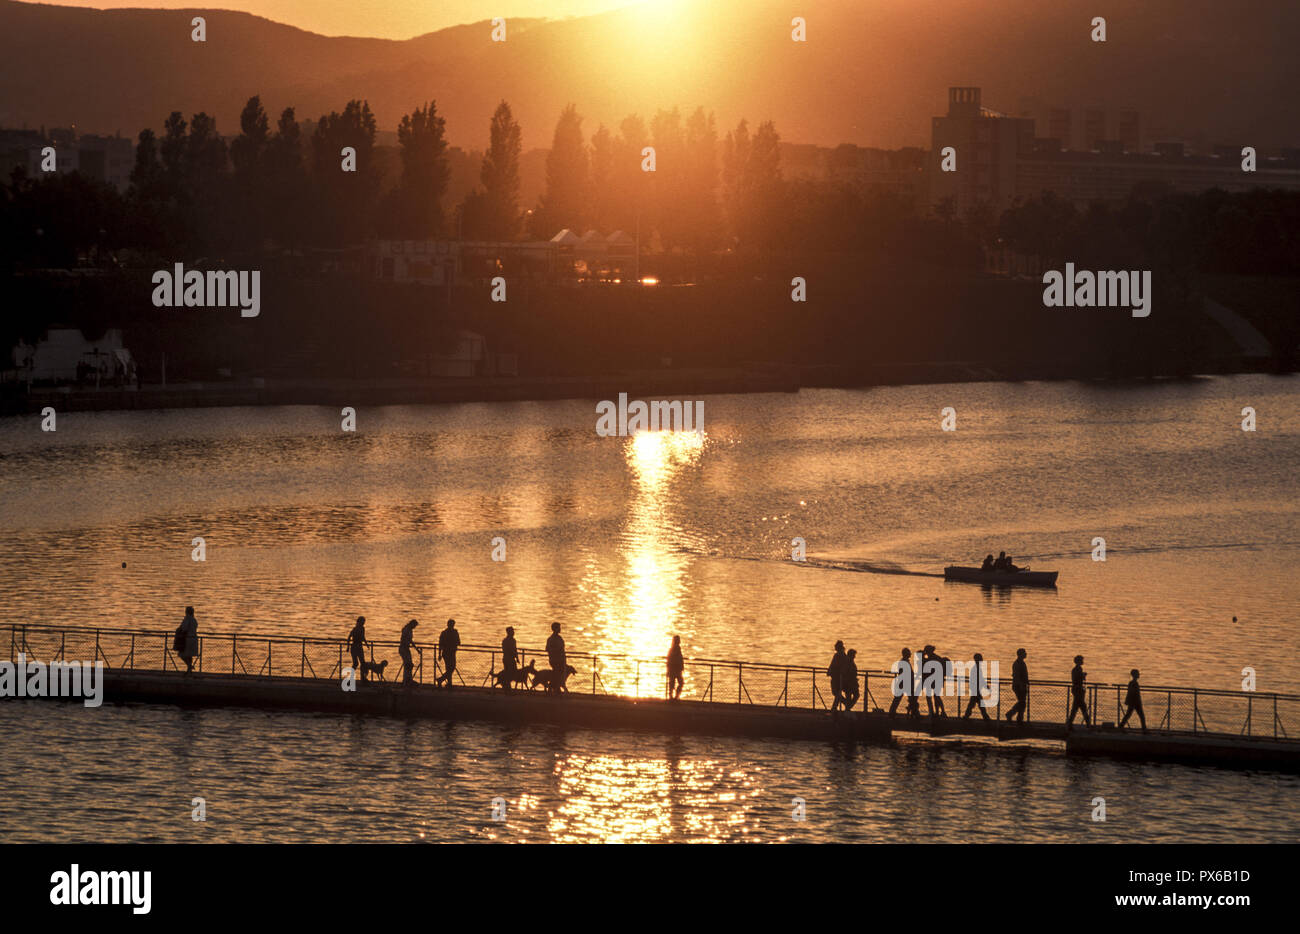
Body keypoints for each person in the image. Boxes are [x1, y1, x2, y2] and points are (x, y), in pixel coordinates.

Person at [888, 648, 920, 719]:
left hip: (903, 683)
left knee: (902, 699)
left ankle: (892, 712)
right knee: (911, 699)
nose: (910, 654)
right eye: (909, 653)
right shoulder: (904, 662)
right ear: (906, 654)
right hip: (905, 683)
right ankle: (915, 714)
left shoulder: (904, 662)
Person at [962, 652, 991, 720]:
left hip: (975, 688)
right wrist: (985, 685)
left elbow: (980, 678)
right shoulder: (976, 668)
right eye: (980, 658)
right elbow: (980, 678)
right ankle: (985, 717)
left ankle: (967, 715)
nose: (982, 660)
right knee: (979, 704)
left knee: (973, 703)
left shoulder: (976, 668)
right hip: (976, 689)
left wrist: (984, 685)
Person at [921, 645, 946, 717]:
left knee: (931, 697)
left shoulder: (930, 659)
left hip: (933, 681)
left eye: (926, 651)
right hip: (937, 681)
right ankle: (940, 712)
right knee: (937, 697)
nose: (925, 652)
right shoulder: (937, 658)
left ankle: (933, 712)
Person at [1005, 648, 1029, 722]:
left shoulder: (1022, 663)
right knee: (1022, 702)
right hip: (1018, 686)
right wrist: (1021, 685)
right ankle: (1010, 714)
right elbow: (1016, 676)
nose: (1026, 654)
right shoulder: (1017, 664)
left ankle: (1019, 718)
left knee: (1022, 703)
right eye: (1024, 653)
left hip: (1022, 685)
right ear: (1020, 654)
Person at [1067, 655, 1091, 727]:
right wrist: (1083, 675)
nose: (1083, 661)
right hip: (1078, 691)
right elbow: (1078, 679)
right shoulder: (1077, 669)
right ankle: (1088, 724)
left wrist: (1082, 675)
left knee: (1077, 708)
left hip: (1077, 690)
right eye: (1081, 660)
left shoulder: (1076, 669)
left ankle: (1070, 724)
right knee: (1081, 708)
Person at [436, 619, 460, 687]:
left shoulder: (444, 632)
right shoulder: (454, 632)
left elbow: (440, 644)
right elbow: (458, 642)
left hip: (447, 653)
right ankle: (442, 680)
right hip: (450, 652)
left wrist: (439, 654)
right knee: (451, 668)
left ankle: (447, 682)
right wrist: (439, 654)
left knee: (449, 668)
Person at [826, 640, 847, 713]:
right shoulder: (843, 655)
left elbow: (833, 665)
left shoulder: (838, 655)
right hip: (839, 677)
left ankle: (846, 704)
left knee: (836, 693)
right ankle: (834, 708)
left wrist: (829, 671)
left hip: (836, 677)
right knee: (837, 693)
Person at [546, 623, 566, 694]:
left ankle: (555, 688)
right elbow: (548, 649)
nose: (560, 629)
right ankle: (553, 688)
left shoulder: (558, 638)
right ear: (555, 629)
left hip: (559, 660)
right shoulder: (551, 639)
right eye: (559, 628)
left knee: (557, 674)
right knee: (557, 674)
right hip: (555, 660)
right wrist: (556, 650)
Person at [177, 606, 199, 673]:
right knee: (190, 655)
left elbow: (184, 628)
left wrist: (179, 630)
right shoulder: (194, 619)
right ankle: (189, 670)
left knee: (181, 654)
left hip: (187, 639)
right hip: (194, 639)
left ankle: (189, 666)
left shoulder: (187, 619)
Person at [398, 619, 419, 685]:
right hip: (403, 648)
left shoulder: (409, 630)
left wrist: (416, 649)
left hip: (406, 648)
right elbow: (404, 639)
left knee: (409, 664)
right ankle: (406, 680)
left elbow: (410, 640)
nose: (414, 627)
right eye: (414, 626)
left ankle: (408, 679)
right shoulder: (406, 629)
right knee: (408, 664)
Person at [348, 616, 367, 681]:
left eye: (364, 622)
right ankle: (352, 679)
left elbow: (363, 637)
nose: (363, 623)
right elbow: (349, 637)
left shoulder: (360, 628)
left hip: (357, 646)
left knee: (361, 663)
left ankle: (362, 678)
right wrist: (347, 647)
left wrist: (366, 644)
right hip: (356, 647)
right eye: (363, 621)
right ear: (359, 622)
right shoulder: (356, 629)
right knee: (357, 663)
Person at [501, 626, 519, 690]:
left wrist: (517, 658)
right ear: (509, 632)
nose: (514, 632)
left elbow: (514, 650)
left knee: (509, 673)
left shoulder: (505, 640)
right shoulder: (511, 641)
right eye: (512, 631)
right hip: (509, 659)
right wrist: (516, 657)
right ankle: (508, 688)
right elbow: (513, 650)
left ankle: (508, 688)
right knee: (510, 673)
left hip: (507, 658)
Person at [667, 635, 684, 700]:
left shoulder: (674, 649)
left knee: (673, 683)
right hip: (675, 669)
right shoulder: (674, 649)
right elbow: (672, 659)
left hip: (675, 669)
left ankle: (674, 696)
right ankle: (675, 697)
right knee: (678, 683)